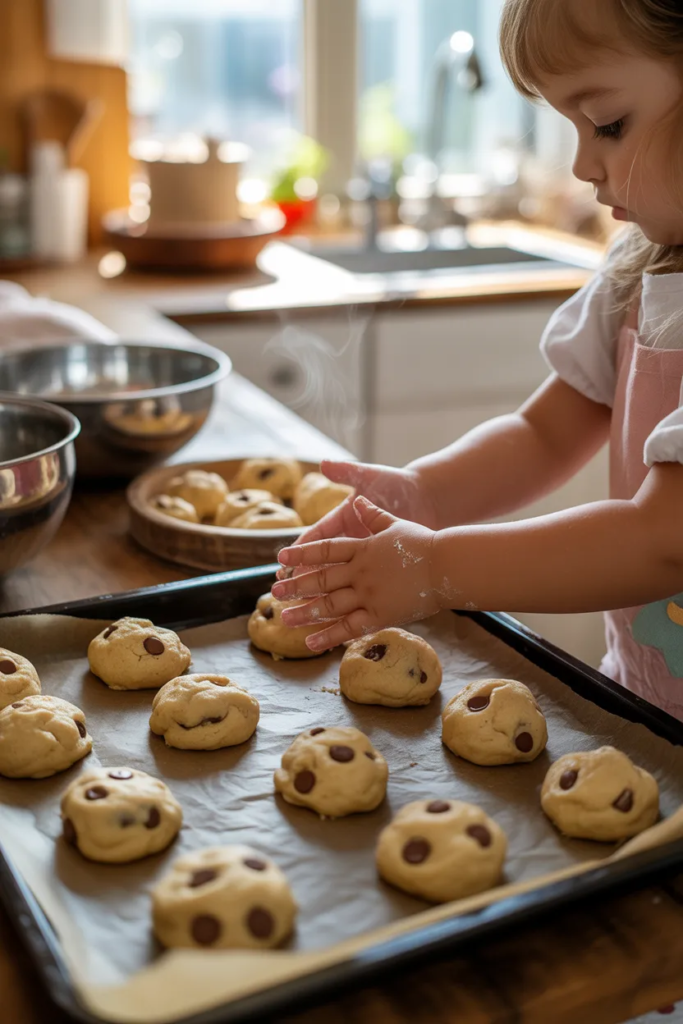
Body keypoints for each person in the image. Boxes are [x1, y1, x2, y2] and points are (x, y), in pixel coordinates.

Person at [273, 0, 683, 725]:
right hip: (642, 700)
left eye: (607, 124)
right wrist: (424, 494)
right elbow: (544, 433)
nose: (582, 164)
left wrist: (434, 568)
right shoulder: (633, 276)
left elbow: (662, 540)